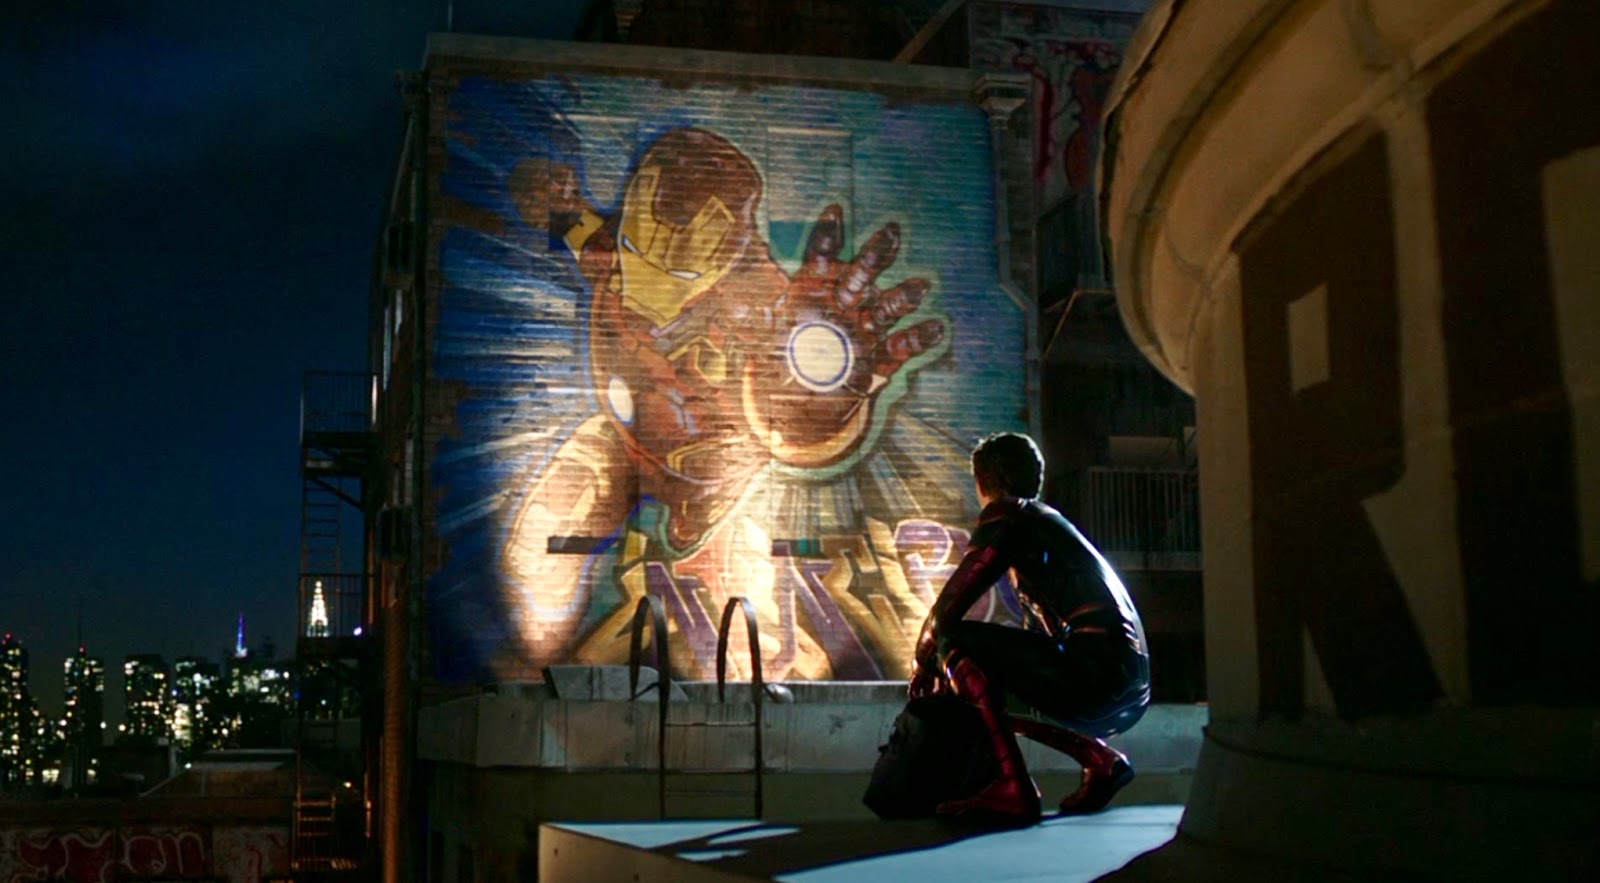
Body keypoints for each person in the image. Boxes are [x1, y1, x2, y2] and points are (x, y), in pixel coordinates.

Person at [909, 432, 1151, 825]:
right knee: (984, 687)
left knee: (954, 642)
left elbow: (946, 614)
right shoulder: (1049, 523)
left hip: (1096, 674)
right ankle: (1099, 759)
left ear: (983, 480)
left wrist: (924, 662)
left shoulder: (1010, 513)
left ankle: (1013, 786)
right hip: (1128, 686)